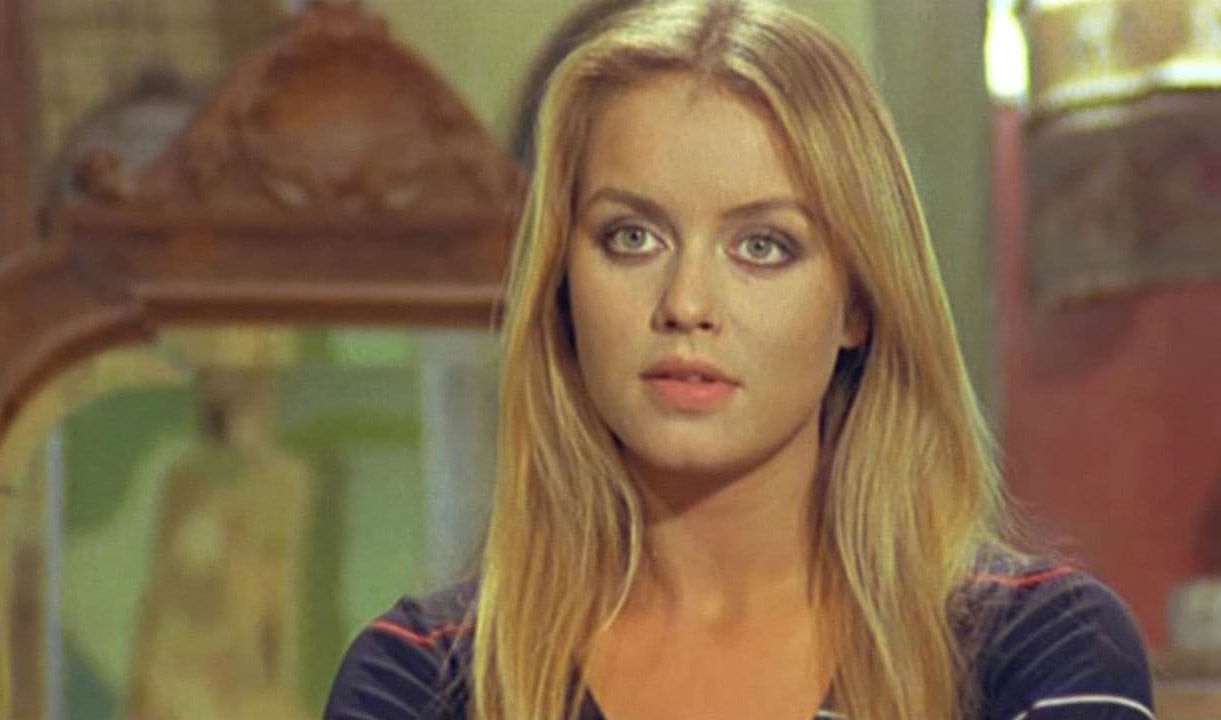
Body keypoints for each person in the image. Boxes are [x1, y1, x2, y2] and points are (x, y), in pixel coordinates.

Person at [324, 1, 1154, 718]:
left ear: (858, 303)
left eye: (762, 246)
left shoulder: (1038, 651)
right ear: (564, 286)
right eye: (632, 237)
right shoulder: (420, 681)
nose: (687, 303)